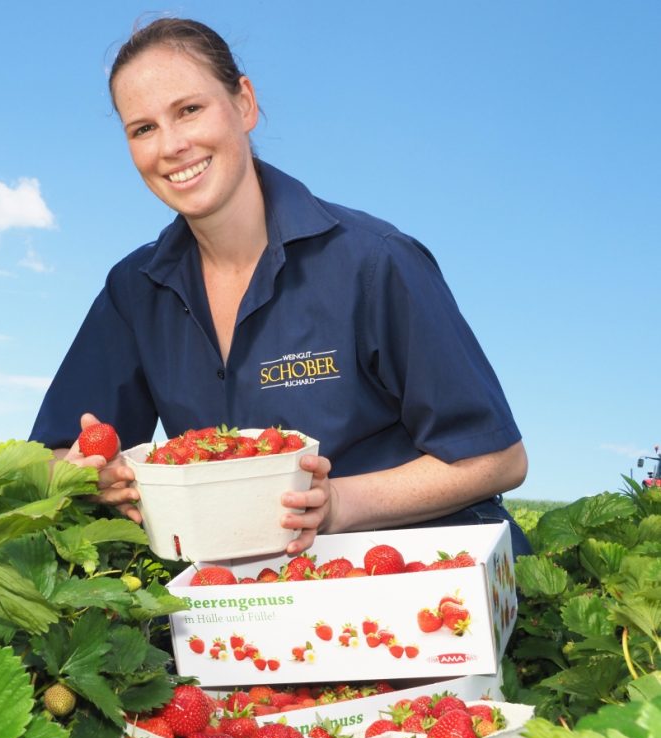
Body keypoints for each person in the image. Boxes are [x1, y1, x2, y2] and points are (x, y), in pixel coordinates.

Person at [29, 17, 530, 557]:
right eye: (143, 128)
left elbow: (499, 459)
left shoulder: (374, 260)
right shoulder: (135, 289)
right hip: (253, 602)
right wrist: (90, 474)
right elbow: (56, 455)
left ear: (244, 103)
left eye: (189, 110)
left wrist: (337, 502)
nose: (171, 145)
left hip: (415, 578)